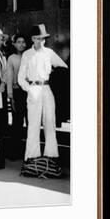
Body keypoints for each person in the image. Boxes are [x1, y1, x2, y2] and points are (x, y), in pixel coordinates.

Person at [18, 24, 68, 162]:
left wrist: (54, 73)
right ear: (33, 39)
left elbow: (64, 66)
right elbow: (20, 79)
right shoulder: (27, 55)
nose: (41, 41)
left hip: (47, 89)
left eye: (43, 39)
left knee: (50, 122)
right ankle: (31, 157)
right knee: (33, 124)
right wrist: (30, 89)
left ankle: (51, 156)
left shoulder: (49, 53)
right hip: (34, 88)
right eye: (38, 38)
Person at [6, 34, 28, 159]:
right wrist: (10, 95)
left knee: (30, 121)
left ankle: (29, 152)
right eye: (18, 42)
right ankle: (15, 151)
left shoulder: (30, 55)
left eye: (23, 42)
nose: (21, 44)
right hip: (17, 92)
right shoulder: (12, 58)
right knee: (17, 122)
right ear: (14, 44)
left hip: (29, 92)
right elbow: (9, 77)